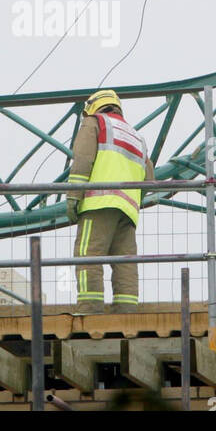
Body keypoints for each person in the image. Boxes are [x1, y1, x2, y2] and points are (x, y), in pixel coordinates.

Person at [66, 90, 155, 314]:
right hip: (128, 210)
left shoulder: (94, 122)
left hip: (99, 202)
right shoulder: (137, 137)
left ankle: (90, 310)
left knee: (89, 255)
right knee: (125, 262)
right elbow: (150, 180)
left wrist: (73, 196)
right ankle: (126, 313)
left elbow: (83, 159)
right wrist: (131, 201)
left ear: (93, 107)